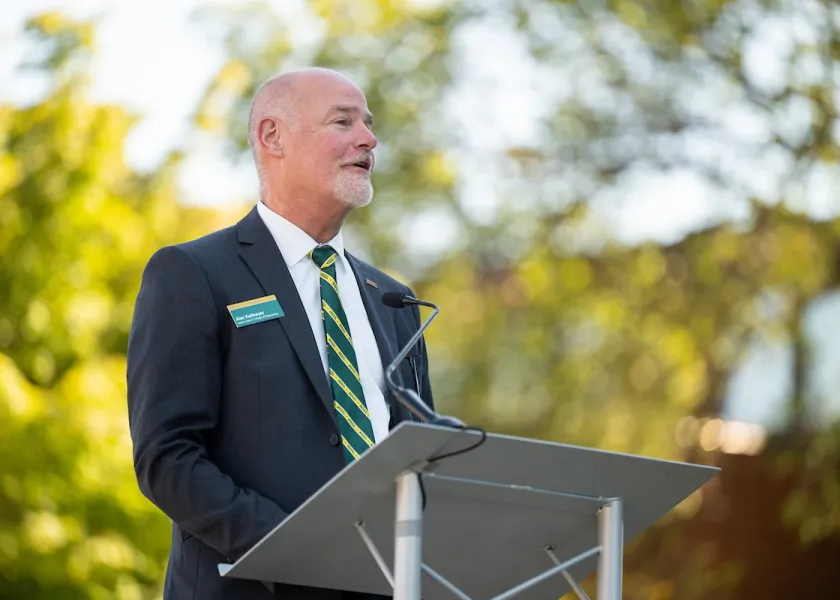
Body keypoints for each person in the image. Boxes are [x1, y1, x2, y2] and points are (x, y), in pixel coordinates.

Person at [126, 67, 434, 600]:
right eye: (343, 121)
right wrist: (300, 550)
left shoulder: (396, 301)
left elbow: (420, 462)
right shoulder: (194, 273)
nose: (368, 138)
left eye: (368, 124)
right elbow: (168, 458)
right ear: (273, 137)